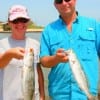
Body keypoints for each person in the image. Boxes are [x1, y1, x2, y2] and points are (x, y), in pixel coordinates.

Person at [40, 0, 100, 99]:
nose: (64, 3)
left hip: (87, 94)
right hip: (58, 95)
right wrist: (56, 58)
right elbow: (43, 61)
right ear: (55, 4)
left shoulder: (94, 26)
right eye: (59, 1)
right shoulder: (48, 30)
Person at [0, 5, 45, 100]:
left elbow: (38, 70)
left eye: (23, 20)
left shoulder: (36, 44)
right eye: (15, 21)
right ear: (9, 22)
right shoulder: (2, 44)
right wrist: (10, 54)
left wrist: (42, 95)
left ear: (28, 22)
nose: (20, 24)